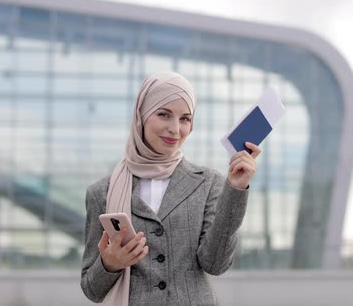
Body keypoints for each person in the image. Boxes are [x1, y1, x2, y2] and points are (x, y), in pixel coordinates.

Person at [80, 71, 261, 305]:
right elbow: (91, 289)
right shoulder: (101, 193)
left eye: (185, 119)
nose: (175, 129)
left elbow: (215, 264)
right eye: (164, 114)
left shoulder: (208, 183)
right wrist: (110, 264)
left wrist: (236, 189)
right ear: (141, 117)